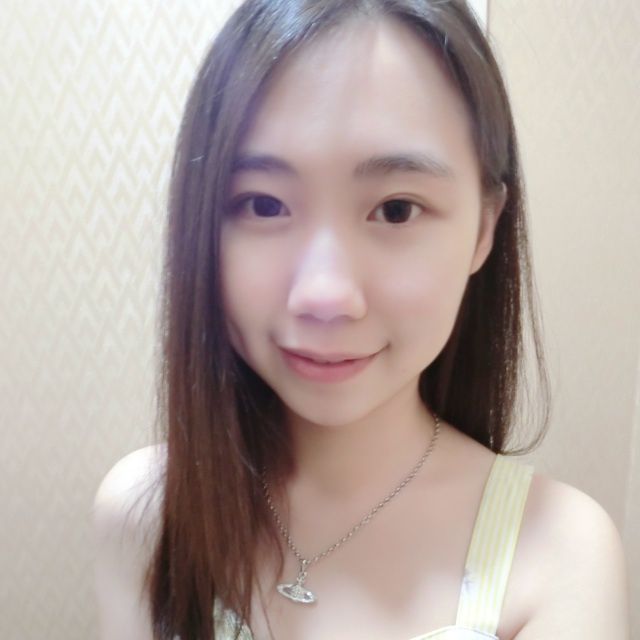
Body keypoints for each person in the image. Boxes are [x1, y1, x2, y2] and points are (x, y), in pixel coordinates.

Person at [93, 1, 630, 639]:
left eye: (397, 209)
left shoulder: (561, 556)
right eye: (263, 204)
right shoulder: (148, 515)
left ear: (484, 229)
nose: (325, 294)